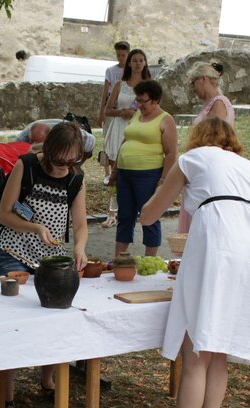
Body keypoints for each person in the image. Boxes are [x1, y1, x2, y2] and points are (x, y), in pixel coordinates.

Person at [139, 117, 250, 408]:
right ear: (233, 141)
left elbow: (152, 212)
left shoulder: (193, 158)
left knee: (197, 351)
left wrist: (142, 211)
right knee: (219, 352)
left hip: (217, 239)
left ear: (198, 139)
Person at [0, 121, 89, 408]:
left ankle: (47, 379)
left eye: (71, 161)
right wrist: (34, 227)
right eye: (59, 160)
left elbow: (82, 223)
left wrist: (79, 247)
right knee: (11, 321)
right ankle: (6, 395)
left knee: (54, 316)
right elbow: (4, 214)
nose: (64, 167)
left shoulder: (75, 178)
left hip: (51, 258)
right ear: (48, 151)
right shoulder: (27, 166)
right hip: (14, 250)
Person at [109, 79, 177, 258]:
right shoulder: (136, 115)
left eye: (142, 101)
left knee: (149, 215)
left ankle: (150, 259)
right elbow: (126, 141)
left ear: (155, 100)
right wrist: (115, 170)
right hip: (125, 173)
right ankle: (120, 257)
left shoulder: (166, 119)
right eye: (137, 100)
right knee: (125, 216)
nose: (138, 104)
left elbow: (171, 153)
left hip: (148, 174)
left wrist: (163, 181)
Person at [177, 61, 235, 234]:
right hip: (200, 164)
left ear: (203, 79)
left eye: (193, 83)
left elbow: (215, 138)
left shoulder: (219, 103)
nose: (192, 88)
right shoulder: (210, 104)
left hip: (208, 166)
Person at [101, 48, 150, 228]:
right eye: (134, 60)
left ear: (145, 63)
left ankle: (137, 210)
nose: (137, 63)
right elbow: (107, 109)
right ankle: (112, 212)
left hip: (139, 129)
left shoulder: (149, 85)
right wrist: (122, 111)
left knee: (136, 171)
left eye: (141, 60)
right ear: (129, 63)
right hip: (119, 128)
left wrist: (135, 112)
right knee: (116, 172)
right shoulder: (120, 85)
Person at [98, 41, 130, 184]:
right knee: (108, 138)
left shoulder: (130, 72)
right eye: (118, 55)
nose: (121, 58)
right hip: (111, 107)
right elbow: (105, 92)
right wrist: (101, 113)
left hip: (124, 105)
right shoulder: (110, 71)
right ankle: (107, 171)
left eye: (123, 55)